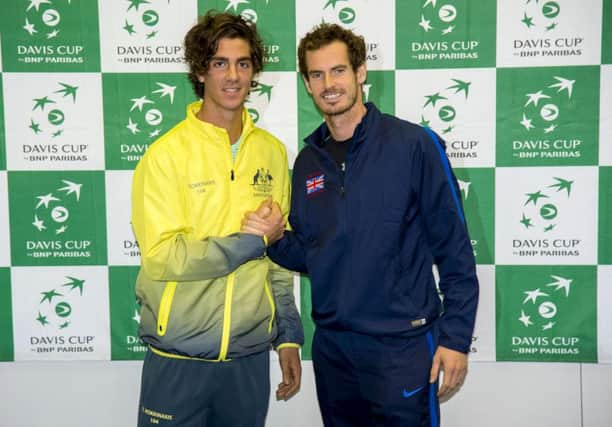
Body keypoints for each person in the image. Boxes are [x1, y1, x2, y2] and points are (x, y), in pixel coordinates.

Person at [243, 23, 479, 426]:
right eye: (317, 75)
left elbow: (455, 249)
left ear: (361, 72)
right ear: (306, 82)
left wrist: (455, 339)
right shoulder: (307, 163)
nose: (328, 84)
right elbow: (314, 253)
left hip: (401, 348)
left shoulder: (414, 145)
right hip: (334, 351)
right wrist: (276, 239)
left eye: (338, 71)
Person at [131, 11, 303, 427]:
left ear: (254, 71)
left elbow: (277, 259)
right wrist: (249, 242)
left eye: (243, 63)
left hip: (247, 362)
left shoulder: (272, 153)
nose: (233, 76)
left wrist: (288, 337)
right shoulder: (165, 155)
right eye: (219, 63)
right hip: (178, 360)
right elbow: (162, 257)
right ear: (200, 71)